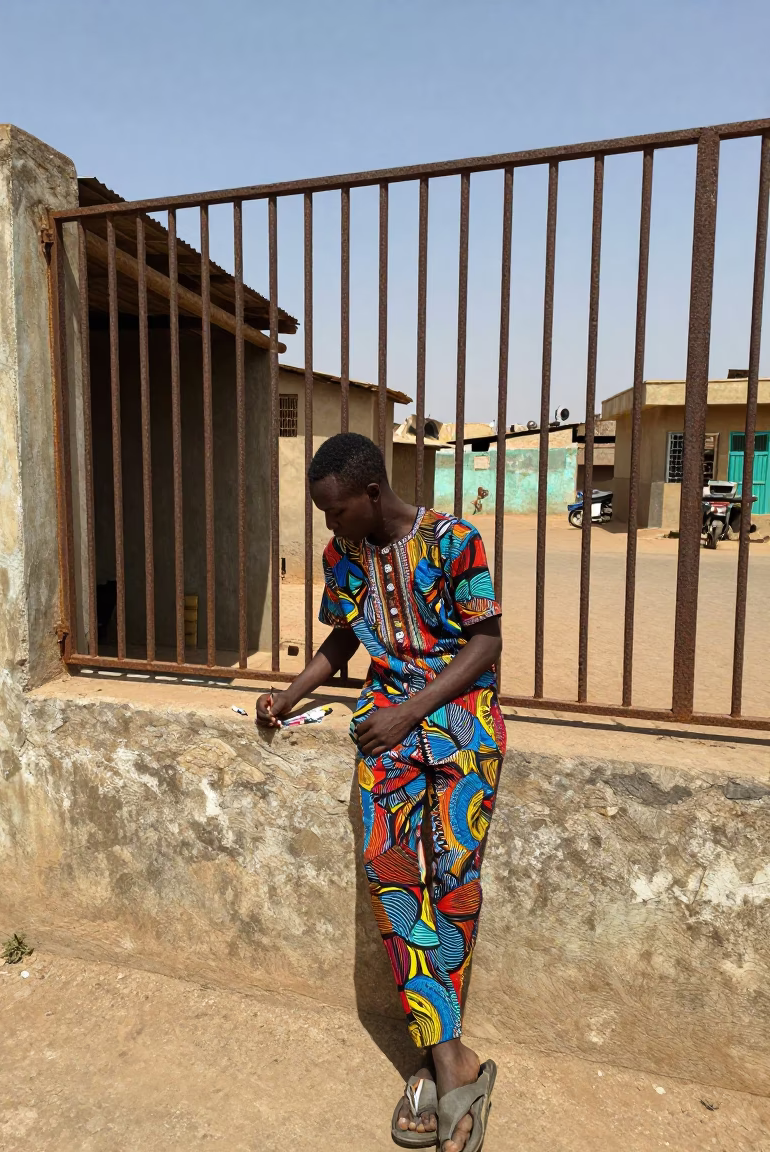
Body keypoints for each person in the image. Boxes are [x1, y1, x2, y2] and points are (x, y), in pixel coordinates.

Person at [256, 433, 505, 1152]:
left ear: (370, 494)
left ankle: (439, 1068)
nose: (328, 528)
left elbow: (485, 643)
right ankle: (452, 1058)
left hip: (462, 730)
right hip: (385, 743)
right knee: (394, 885)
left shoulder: (457, 541)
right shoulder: (344, 559)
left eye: (335, 513)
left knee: (455, 885)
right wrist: (289, 693)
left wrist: (410, 709)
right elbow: (341, 643)